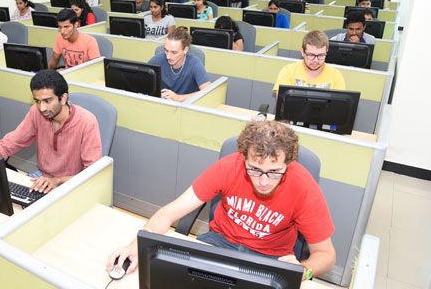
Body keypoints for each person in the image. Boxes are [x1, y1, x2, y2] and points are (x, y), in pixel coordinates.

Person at [108, 120, 336, 281]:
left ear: (289, 163)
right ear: (243, 157)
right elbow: (170, 212)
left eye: (275, 171)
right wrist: (134, 246)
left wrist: (303, 270)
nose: (264, 181)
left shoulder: (303, 186)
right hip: (219, 245)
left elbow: (326, 255)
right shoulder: (229, 166)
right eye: (255, 169)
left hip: (269, 260)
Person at [0, 69, 102, 193]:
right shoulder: (35, 112)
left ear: (63, 98)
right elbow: (9, 143)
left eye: (48, 101)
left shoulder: (87, 122)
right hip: (43, 177)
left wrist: (57, 181)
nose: (42, 108)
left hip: (74, 184)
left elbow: (92, 173)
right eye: (37, 101)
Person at [147, 27, 211, 101]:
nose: (168, 56)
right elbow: (142, 80)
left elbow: (208, 92)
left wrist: (179, 97)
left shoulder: (195, 64)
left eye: (174, 52)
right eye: (166, 50)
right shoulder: (158, 59)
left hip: (185, 106)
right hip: (162, 104)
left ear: (185, 50)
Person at [273, 30, 345, 94]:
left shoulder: (336, 75)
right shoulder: (288, 71)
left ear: (326, 52)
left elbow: (339, 106)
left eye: (321, 55)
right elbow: (282, 102)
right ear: (302, 52)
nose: (316, 60)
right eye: (311, 55)